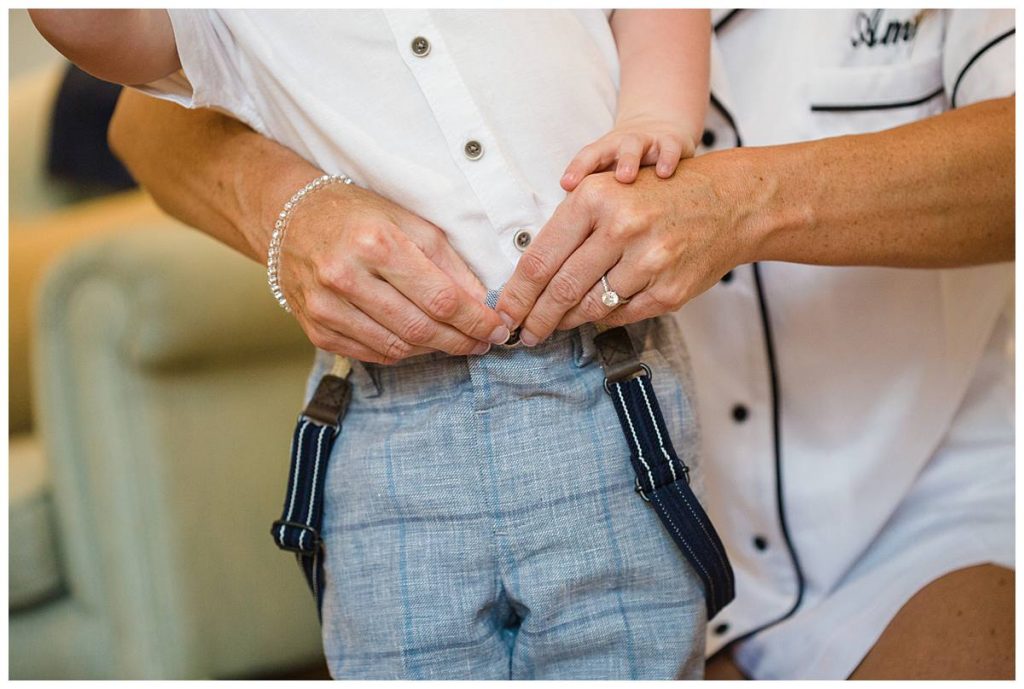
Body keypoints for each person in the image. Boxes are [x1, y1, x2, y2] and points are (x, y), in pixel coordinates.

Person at [102, 7, 1014, 681]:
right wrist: (287, 207)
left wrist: (746, 201)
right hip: (623, 507)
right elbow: (139, 108)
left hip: (923, 516)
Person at [31, 8, 719, 680]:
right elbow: (109, 35)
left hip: (600, 378)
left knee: (628, 648)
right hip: (386, 413)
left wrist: (656, 117)